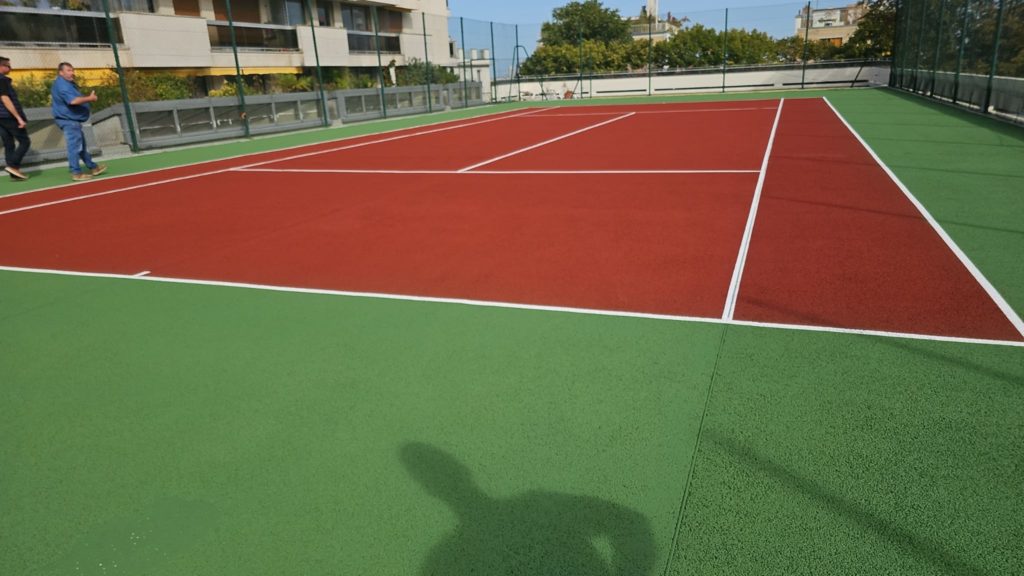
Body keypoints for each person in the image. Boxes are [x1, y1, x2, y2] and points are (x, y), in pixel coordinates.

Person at [51, 62, 106, 182]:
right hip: (68, 120)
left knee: (81, 146)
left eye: (72, 70)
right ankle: (76, 172)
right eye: (69, 71)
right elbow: (73, 101)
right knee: (75, 147)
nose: (72, 73)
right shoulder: (62, 85)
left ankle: (93, 167)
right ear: (61, 72)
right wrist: (90, 99)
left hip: (72, 120)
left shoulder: (66, 83)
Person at [0, 56, 31, 181]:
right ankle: (13, 166)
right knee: (25, 141)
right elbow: (5, 99)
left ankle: (14, 173)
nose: (10, 68)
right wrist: (18, 117)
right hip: (8, 116)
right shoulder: (2, 80)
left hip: (1, 118)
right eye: (8, 65)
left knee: (9, 143)